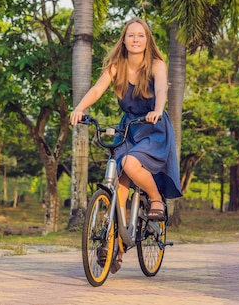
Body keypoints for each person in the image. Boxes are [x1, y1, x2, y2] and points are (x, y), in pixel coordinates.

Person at [70, 17, 183, 223]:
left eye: (141, 35)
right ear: (124, 40)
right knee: (118, 176)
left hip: (153, 127)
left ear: (147, 40)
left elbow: (160, 88)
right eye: (131, 35)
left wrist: (158, 109)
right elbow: (97, 89)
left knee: (130, 163)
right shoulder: (116, 66)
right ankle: (117, 241)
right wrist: (79, 108)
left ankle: (156, 199)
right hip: (129, 129)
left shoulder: (156, 64)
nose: (135, 39)